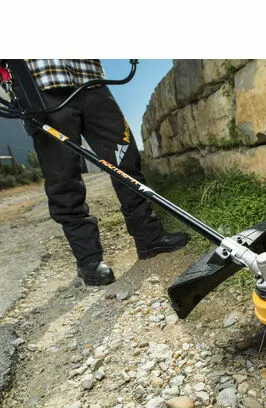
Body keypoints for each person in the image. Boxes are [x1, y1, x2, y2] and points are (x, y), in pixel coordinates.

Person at [25, 59, 189, 286]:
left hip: (91, 81)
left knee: (126, 161)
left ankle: (149, 237)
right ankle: (88, 259)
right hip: (41, 86)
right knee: (63, 179)